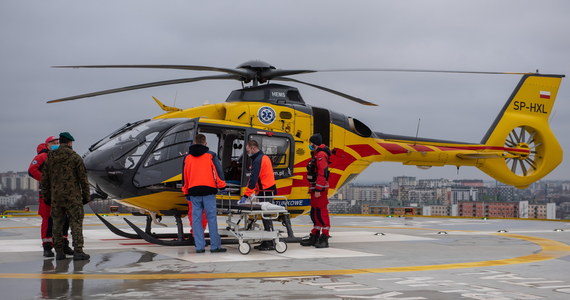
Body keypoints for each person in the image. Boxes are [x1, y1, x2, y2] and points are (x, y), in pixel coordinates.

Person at [41, 132, 91, 260]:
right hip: (73, 197)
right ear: (69, 143)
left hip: (56, 197)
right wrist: (86, 197)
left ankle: (59, 253)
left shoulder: (50, 158)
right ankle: (78, 251)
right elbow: (83, 180)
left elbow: (44, 181)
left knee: (57, 224)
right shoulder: (75, 157)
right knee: (76, 222)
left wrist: (47, 197)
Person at [28, 136, 73, 257]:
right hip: (47, 194)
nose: (57, 144)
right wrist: (46, 180)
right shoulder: (42, 156)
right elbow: (32, 170)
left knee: (65, 219)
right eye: (54, 142)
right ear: (47, 144)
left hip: (61, 193)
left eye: (58, 142)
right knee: (48, 220)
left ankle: (64, 244)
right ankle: (47, 247)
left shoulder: (60, 156)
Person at [182, 134, 227, 253]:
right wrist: (222, 186)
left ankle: (199, 247)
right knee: (211, 218)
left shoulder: (187, 158)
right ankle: (215, 246)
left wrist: (186, 191)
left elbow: (184, 176)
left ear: (194, 142)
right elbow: (218, 172)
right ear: (205, 143)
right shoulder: (211, 155)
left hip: (194, 192)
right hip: (208, 191)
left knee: (196, 219)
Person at [240, 139, 277, 250]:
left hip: (265, 191)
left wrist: (246, 195)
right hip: (267, 190)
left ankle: (270, 242)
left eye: (248, 150)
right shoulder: (264, 158)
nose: (247, 153)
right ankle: (268, 240)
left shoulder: (258, 160)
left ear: (253, 148)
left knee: (266, 216)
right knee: (266, 216)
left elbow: (253, 179)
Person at [300, 133, 331, 248]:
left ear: (315, 144)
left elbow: (323, 173)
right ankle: (315, 235)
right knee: (315, 212)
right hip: (314, 188)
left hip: (319, 189)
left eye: (311, 143)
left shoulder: (321, 155)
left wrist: (318, 188)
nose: (310, 145)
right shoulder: (317, 154)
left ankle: (324, 237)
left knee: (321, 212)